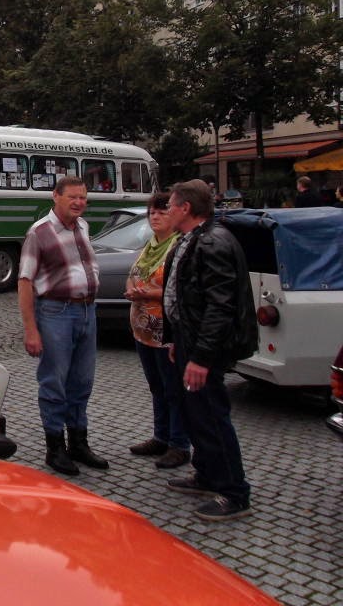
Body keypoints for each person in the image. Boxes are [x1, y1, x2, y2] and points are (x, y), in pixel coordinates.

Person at [162, 178, 256, 521]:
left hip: (206, 348)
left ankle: (234, 492)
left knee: (211, 415)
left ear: (185, 208)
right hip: (189, 340)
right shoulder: (192, 239)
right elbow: (184, 295)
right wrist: (176, 340)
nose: (166, 211)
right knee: (195, 413)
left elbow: (220, 306)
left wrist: (201, 357)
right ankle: (207, 474)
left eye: (170, 205)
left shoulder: (213, 242)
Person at [18, 175, 107, 476]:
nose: (79, 203)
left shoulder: (83, 226)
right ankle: (54, 447)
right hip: (55, 312)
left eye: (83, 197)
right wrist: (31, 329)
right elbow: (25, 281)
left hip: (87, 311)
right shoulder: (39, 233)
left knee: (82, 382)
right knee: (54, 381)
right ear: (55, 196)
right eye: (73, 197)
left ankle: (78, 443)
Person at [124, 192, 189, 469]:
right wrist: (132, 289)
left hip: (166, 331)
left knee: (174, 389)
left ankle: (179, 444)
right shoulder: (150, 246)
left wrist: (148, 293)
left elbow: (182, 290)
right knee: (157, 387)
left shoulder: (179, 247)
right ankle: (161, 436)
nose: (155, 216)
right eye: (152, 212)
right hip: (144, 331)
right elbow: (134, 275)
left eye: (162, 212)